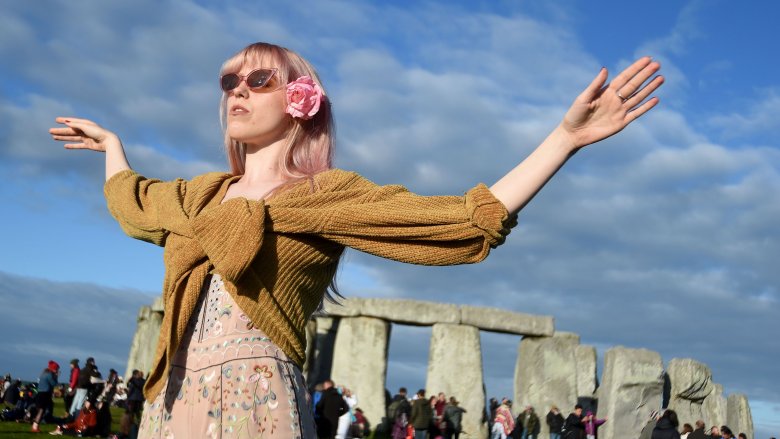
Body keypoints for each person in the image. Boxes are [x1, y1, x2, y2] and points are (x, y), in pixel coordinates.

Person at [49, 41, 663, 438]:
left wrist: (564, 139)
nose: (235, 89)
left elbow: (459, 223)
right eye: (228, 82)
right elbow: (134, 205)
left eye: (257, 80)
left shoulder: (324, 194)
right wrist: (111, 148)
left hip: (254, 401)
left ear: (299, 100)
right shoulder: (202, 196)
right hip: (169, 397)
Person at [31, 360, 59, 433]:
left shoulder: (44, 373)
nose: (57, 370)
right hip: (45, 394)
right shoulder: (50, 375)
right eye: (57, 369)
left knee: (40, 410)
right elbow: (54, 384)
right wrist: (56, 376)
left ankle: (35, 425)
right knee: (41, 411)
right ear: (54, 369)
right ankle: (35, 426)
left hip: (40, 393)